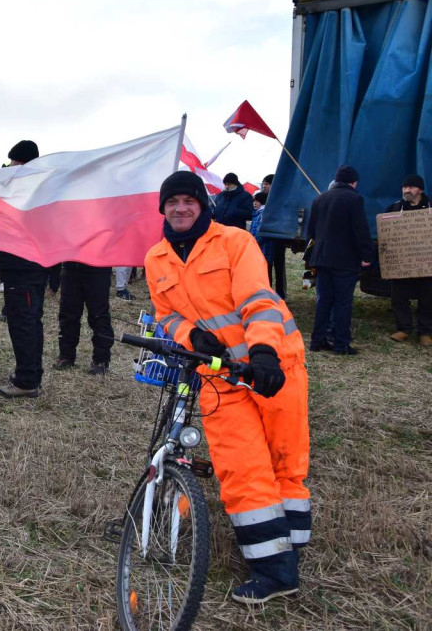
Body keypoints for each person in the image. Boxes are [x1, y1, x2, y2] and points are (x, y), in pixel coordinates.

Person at [147, 170, 310, 605]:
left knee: (284, 462)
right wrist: (191, 336)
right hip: (218, 377)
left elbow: (258, 298)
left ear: (204, 204)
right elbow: (165, 314)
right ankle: (273, 569)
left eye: (189, 200)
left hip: (275, 366)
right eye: (172, 201)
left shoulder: (236, 242)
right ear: (162, 208)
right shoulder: (155, 259)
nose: (180, 208)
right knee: (241, 468)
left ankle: (291, 547)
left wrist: (264, 353)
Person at [0, 140, 48, 399]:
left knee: (23, 324)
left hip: (22, 267)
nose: (11, 166)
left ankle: (26, 381)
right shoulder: (41, 189)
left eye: (15, 162)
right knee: (31, 322)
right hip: (32, 267)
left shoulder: (26, 193)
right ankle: (31, 374)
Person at [307, 165, 374, 355]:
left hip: (321, 258)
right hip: (345, 261)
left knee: (323, 301)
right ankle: (340, 344)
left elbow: (311, 232)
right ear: (354, 182)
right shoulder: (355, 198)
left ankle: (317, 341)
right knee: (343, 302)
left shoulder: (319, 198)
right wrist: (367, 255)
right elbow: (360, 230)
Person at [385, 174, 431, 346]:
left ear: (420, 190)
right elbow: (386, 232)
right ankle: (403, 329)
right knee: (399, 297)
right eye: (405, 187)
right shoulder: (394, 208)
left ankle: (425, 332)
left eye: (411, 187)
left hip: (426, 264)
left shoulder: (430, 207)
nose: (407, 190)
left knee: (427, 299)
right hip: (401, 263)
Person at [55, 262, 114, 374]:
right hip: (71, 263)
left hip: (98, 265)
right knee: (68, 313)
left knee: (99, 315)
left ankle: (101, 359)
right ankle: (66, 355)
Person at [251, 191, 275, 265]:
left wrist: (254, 242)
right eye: (254, 201)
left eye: (257, 201)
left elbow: (261, 233)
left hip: (263, 248)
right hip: (260, 248)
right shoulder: (258, 213)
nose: (255, 203)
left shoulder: (262, 214)